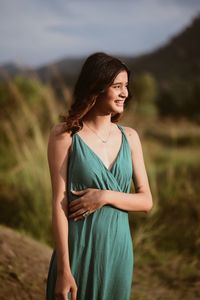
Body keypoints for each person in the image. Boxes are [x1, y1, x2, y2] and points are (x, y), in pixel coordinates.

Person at [45, 52, 153, 300]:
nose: (125, 93)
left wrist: (104, 196)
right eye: (117, 86)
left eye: (126, 86)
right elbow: (59, 203)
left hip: (118, 252)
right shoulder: (65, 135)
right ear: (97, 87)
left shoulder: (131, 137)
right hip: (78, 249)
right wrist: (64, 269)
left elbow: (146, 201)